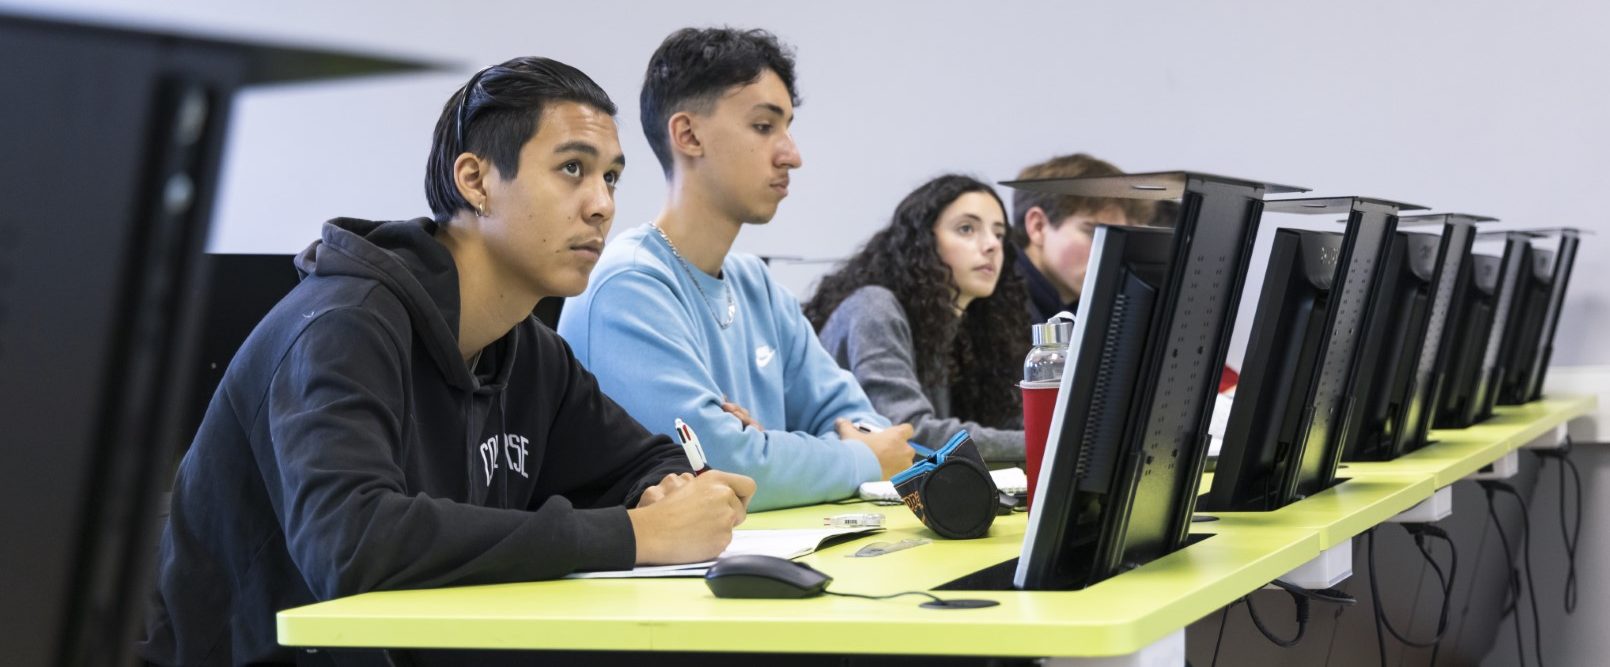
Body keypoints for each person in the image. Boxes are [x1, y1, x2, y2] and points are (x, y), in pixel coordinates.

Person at [141, 57, 755, 666]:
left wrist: (674, 493)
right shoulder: (343, 324)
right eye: (573, 169)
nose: (602, 205)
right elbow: (351, 543)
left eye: (612, 178)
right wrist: (634, 535)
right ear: (476, 180)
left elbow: (643, 460)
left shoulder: (527, 348)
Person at [557, 27, 914, 512]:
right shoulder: (630, 285)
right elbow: (718, 464)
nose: (792, 154)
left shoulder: (756, 285)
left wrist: (775, 451)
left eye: (787, 127)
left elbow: (857, 421)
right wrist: (853, 460)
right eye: (764, 127)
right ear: (688, 134)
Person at [806, 175, 1029, 462]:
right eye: (966, 229)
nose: (991, 245)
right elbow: (911, 433)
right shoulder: (874, 308)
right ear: (922, 241)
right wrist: (1047, 444)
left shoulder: (963, 329)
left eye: (999, 234)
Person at [1010, 153, 1155, 322]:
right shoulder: (996, 307)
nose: (1113, 254)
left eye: (1117, 239)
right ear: (1038, 227)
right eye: (1094, 233)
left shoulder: (1077, 308)